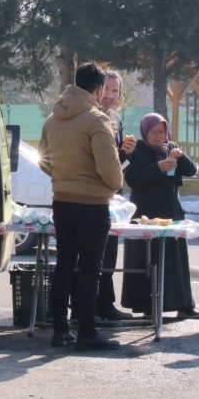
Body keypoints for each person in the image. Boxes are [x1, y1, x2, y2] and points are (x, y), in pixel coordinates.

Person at [38, 62, 124, 350]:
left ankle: (60, 331)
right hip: (92, 205)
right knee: (90, 269)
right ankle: (87, 331)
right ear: (98, 89)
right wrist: (112, 187)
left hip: (62, 202)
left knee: (63, 266)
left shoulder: (52, 119)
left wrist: (64, 179)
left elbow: (44, 161)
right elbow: (109, 167)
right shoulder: (97, 120)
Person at [121, 113, 199, 319]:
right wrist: (158, 168)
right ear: (145, 133)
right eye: (154, 132)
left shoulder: (171, 147)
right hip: (145, 212)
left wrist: (181, 157)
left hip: (170, 211)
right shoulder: (136, 150)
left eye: (162, 132)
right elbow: (133, 179)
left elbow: (191, 170)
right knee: (146, 258)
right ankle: (148, 306)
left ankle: (184, 305)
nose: (159, 137)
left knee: (174, 259)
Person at [91, 71, 136, 321]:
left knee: (108, 252)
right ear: (97, 90)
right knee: (89, 256)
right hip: (89, 194)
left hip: (112, 195)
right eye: (106, 89)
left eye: (115, 91)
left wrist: (127, 153)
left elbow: (117, 163)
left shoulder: (116, 119)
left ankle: (106, 305)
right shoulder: (88, 116)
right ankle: (85, 309)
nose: (110, 96)